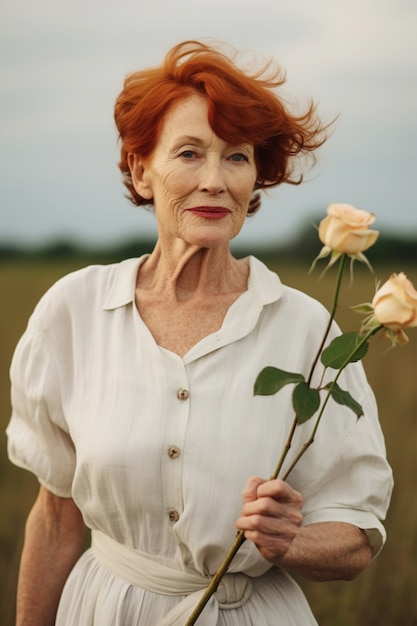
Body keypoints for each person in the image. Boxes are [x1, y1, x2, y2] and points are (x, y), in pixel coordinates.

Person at [7, 40, 393, 625]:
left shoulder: (308, 330)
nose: (215, 181)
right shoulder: (72, 311)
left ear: (255, 178)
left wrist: (293, 540)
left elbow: (359, 535)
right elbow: (57, 520)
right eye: (189, 153)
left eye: (236, 157)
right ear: (141, 171)